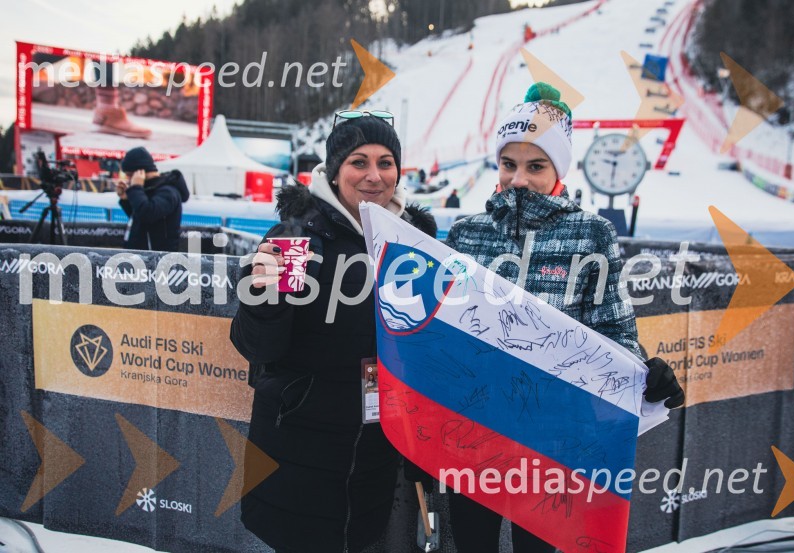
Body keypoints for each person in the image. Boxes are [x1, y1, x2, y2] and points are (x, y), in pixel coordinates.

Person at [443, 83, 684, 553]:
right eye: (509, 164)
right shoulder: (467, 231)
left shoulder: (591, 232)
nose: (519, 178)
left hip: (551, 439)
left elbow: (612, 329)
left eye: (536, 166)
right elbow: (442, 329)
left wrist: (645, 375)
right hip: (474, 433)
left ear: (558, 168)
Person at [229, 111, 437, 553]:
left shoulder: (414, 240)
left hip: (374, 447)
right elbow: (257, 346)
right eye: (359, 162)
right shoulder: (298, 235)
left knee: (361, 537)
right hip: (299, 443)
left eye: (385, 163)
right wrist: (262, 297)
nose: (373, 176)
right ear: (335, 169)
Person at [116, 146, 189, 251]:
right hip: (141, 258)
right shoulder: (149, 189)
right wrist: (127, 199)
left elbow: (147, 214)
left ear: (139, 172)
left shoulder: (168, 192)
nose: (128, 179)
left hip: (157, 261)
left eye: (129, 175)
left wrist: (136, 188)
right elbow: (139, 219)